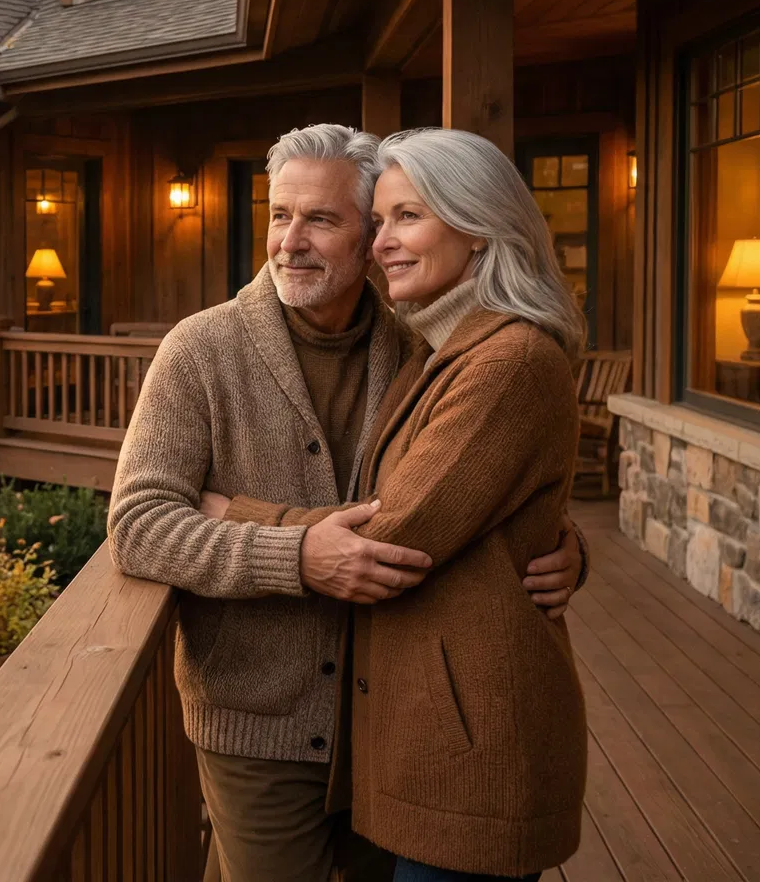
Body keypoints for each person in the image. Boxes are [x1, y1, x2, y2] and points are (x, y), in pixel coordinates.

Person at [107, 123, 588, 882]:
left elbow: (459, 493)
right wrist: (295, 555)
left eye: (322, 219)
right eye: (279, 215)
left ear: (369, 233)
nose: (291, 241)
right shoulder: (201, 350)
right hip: (257, 722)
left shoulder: (419, 342)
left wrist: (558, 544)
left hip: (391, 726)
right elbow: (138, 527)